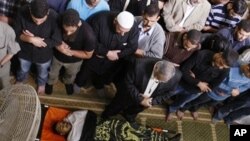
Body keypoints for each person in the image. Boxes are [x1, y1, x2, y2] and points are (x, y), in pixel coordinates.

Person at [74, 11, 139, 95]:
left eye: (126, 32)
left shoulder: (134, 27)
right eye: (120, 30)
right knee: (85, 70)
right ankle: (79, 83)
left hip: (114, 58)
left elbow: (132, 47)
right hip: (95, 54)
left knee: (104, 73)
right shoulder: (100, 20)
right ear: (115, 21)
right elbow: (91, 41)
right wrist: (107, 52)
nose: (123, 34)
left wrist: (117, 55)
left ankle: (98, 85)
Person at [101, 58, 182, 124]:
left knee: (134, 110)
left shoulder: (177, 76)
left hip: (148, 100)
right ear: (155, 68)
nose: (159, 82)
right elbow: (128, 83)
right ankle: (107, 114)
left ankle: (129, 116)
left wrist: (153, 101)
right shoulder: (138, 65)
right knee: (116, 105)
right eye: (158, 79)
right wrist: (141, 99)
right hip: (128, 94)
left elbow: (170, 92)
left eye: (163, 82)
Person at [166, 49, 239, 121]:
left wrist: (195, 80)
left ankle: (171, 110)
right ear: (220, 54)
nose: (220, 67)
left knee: (181, 102)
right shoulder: (201, 54)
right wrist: (198, 83)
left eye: (223, 67)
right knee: (166, 93)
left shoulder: (225, 70)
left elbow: (213, 86)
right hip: (181, 83)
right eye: (220, 63)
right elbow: (184, 70)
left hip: (196, 91)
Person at [13, 0, 61, 94]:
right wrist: (30, 39)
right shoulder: (22, 11)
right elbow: (15, 32)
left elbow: (57, 40)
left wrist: (39, 41)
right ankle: (21, 79)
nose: (38, 23)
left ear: (47, 12)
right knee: (23, 69)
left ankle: (41, 83)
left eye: (42, 20)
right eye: (35, 20)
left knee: (43, 72)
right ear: (30, 11)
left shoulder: (55, 16)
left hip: (44, 54)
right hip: (24, 52)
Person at [45, 9, 96, 95]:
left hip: (75, 61)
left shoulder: (89, 35)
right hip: (56, 56)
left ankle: (68, 83)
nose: (68, 33)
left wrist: (69, 52)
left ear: (79, 24)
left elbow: (88, 55)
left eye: (72, 31)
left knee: (71, 74)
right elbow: (48, 35)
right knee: (52, 72)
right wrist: (58, 45)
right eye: (65, 29)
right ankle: (50, 83)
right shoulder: (57, 20)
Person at [178, 63, 250, 120]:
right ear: (247, 67)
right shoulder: (231, 69)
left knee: (206, 104)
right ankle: (183, 109)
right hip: (211, 91)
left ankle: (194, 109)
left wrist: (238, 91)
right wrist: (230, 90)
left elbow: (245, 86)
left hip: (221, 97)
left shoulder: (248, 79)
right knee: (195, 101)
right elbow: (218, 81)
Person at [54, 110, 181, 141]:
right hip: (105, 136)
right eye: (61, 127)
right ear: (61, 133)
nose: (63, 124)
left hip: (109, 125)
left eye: (62, 122)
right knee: (133, 138)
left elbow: (90, 114)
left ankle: (165, 139)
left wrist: (69, 118)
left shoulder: (74, 117)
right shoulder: (72, 138)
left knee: (135, 129)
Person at [0, 21, 20, 90]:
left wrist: (1, 64)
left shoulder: (8, 30)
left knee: (5, 86)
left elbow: (12, 51)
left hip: (2, 68)